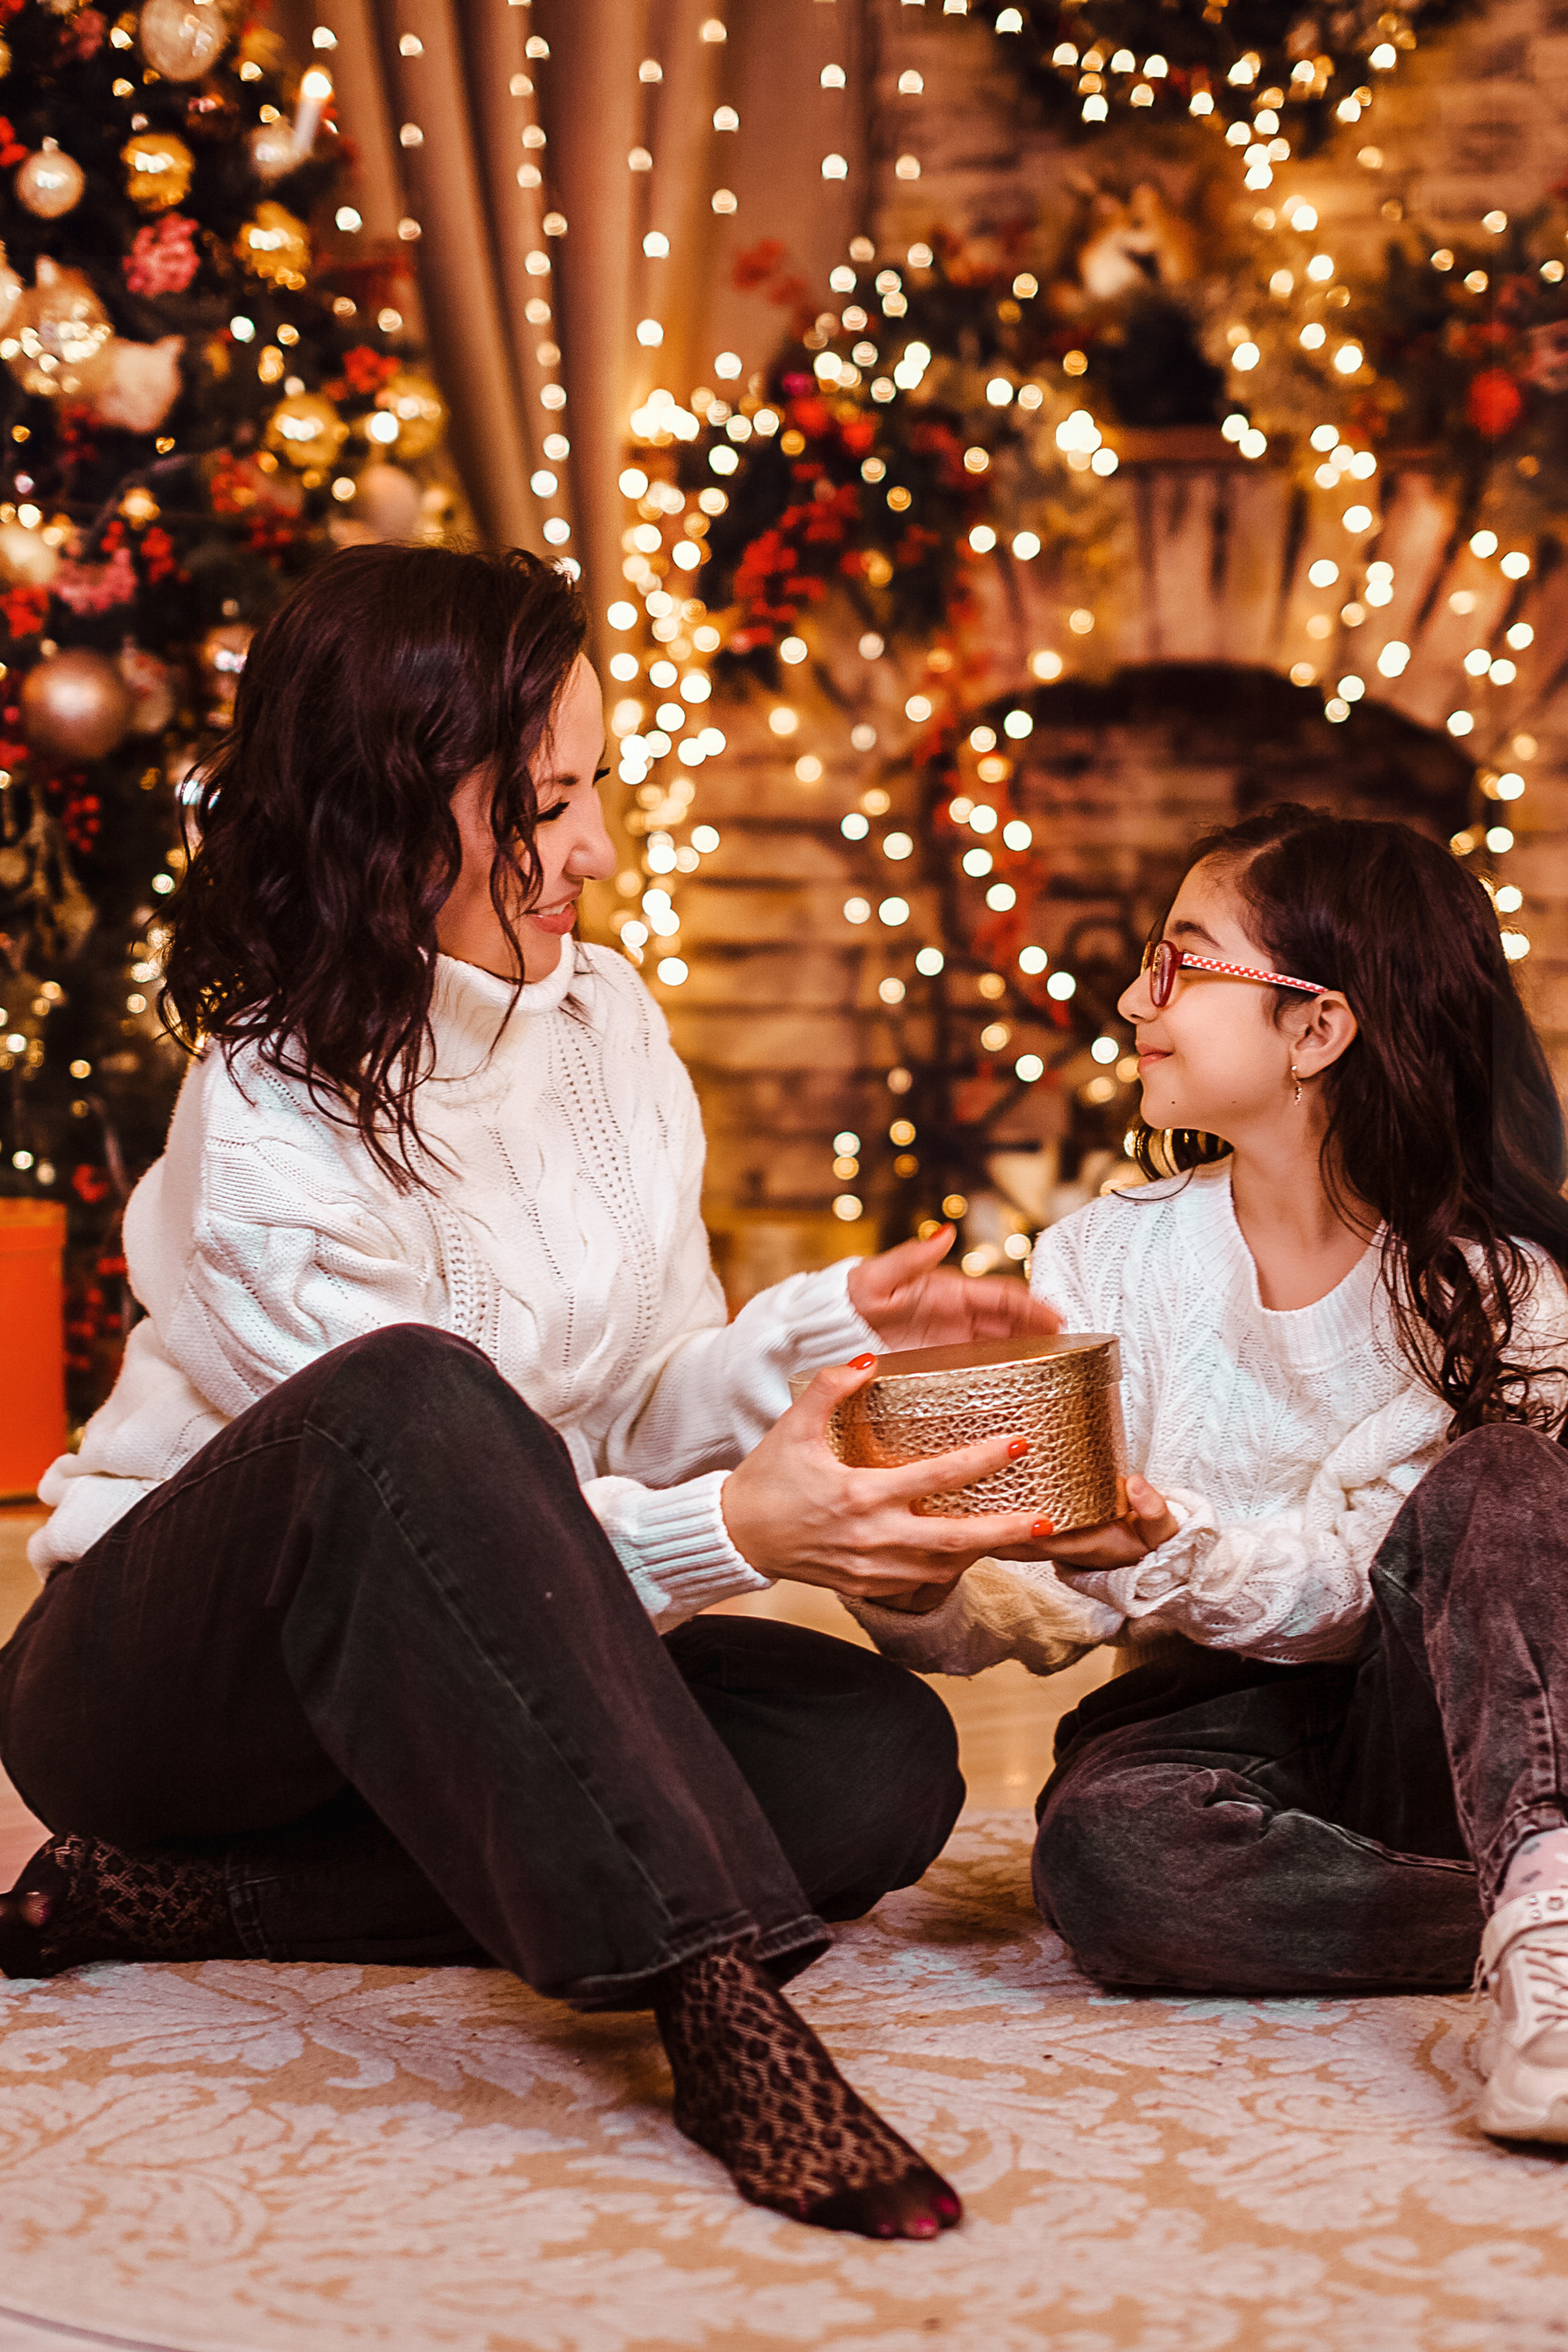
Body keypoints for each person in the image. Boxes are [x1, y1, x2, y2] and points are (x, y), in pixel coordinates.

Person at [0, 545, 1063, 2240]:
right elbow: (429, 1509)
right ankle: (720, 2012)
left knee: (882, 1764)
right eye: (543, 803)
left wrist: (824, 1340)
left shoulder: (611, 1030)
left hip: (457, 1684)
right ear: (389, 814)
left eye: (594, 791)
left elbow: (636, 1400)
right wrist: (733, 1532)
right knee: (409, 1395)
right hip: (167, 1690)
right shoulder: (265, 1106)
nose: (596, 853)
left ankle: (203, 1902)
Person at [851, 802, 1568, 2146]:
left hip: (1434, 1720)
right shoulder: (1103, 1263)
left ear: (1315, 1029)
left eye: (1180, 963)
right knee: (1107, 1860)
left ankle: (1539, 1885)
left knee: (1509, 1482)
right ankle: (1522, 1896)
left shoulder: (1499, 1293)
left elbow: (1351, 1598)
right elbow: (1041, 1607)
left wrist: (1159, 1543)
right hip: (1200, 1725)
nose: (1134, 997)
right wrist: (909, 1507)